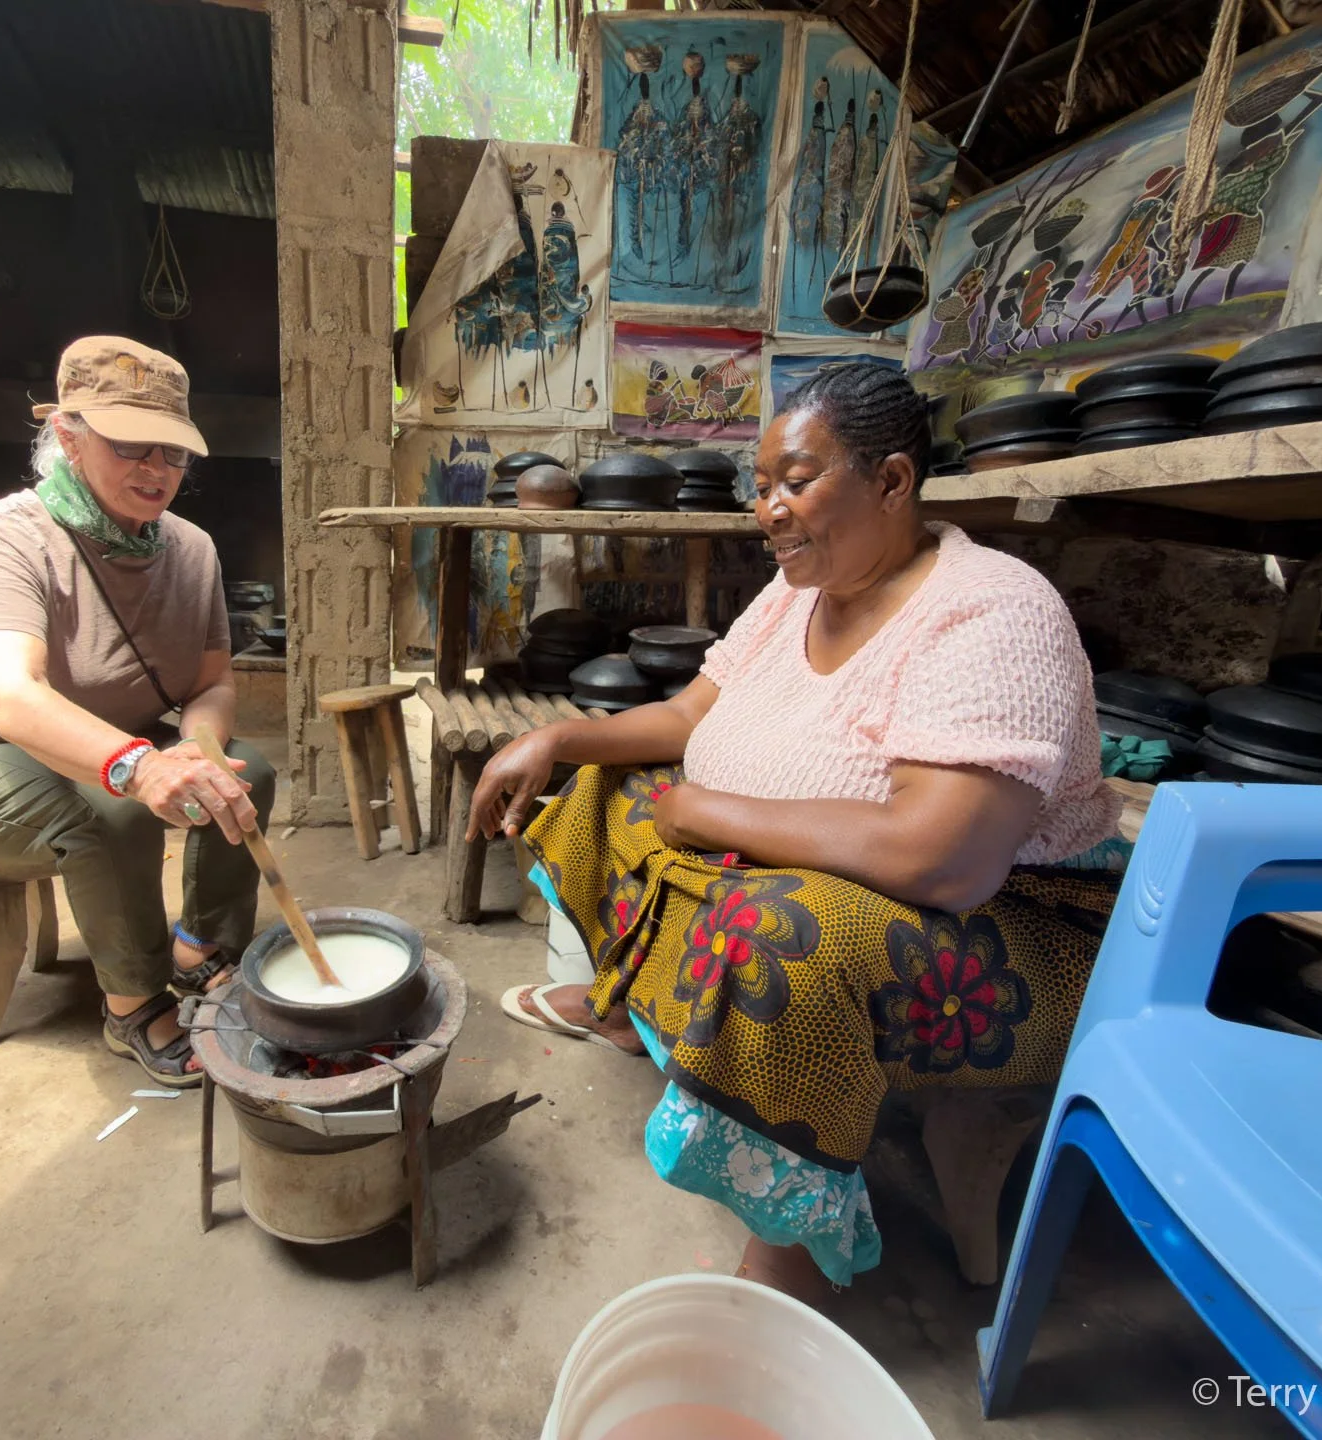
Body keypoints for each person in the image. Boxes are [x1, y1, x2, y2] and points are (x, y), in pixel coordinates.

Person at [471, 364, 1125, 1295]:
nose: (768, 509)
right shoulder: (795, 593)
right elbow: (689, 714)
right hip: (792, 859)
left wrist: (703, 813)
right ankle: (625, 1008)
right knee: (603, 789)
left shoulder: (991, 608)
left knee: (777, 942)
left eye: (796, 482)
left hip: (1015, 926)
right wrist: (558, 737)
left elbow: (941, 857)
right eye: (761, 486)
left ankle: (786, 1249)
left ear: (892, 482)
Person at [0, 337, 271, 1088]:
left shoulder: (190, 549)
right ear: (68, 435)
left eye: (173, 453)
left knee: (244, 769)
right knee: (111, 810)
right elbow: (10, 694)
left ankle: (198, 947)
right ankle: (132, 1005)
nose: (155, 472)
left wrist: (196, 746)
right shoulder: (2, 535)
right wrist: (136, 764)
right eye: (131, 447)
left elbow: (212, 684)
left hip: (111, 742)